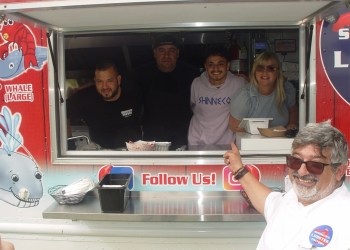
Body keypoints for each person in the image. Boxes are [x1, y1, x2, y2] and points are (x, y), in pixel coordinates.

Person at [223, 121, 350, 249]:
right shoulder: (291, 199)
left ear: (339, 171)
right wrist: (238, 169)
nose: (301, 171)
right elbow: (268, 202)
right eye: (295, 161)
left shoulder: (345, 219)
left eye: (315, 165)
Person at [136, 33, 199, 150]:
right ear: (154, 53)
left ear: (178, 53)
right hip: (151, 140)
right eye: (161, 50)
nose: (166, 55)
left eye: (171, 50)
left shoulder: (192, 75)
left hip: (183, 140)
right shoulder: (141, 74)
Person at [66, 60, 142, 149]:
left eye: (109, 80)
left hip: (134, 155)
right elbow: (60, 113)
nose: (105, 86)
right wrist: (69, 145)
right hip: (101, 157)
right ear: (95, 81)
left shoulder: (133, 93)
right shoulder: (86, 98)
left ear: (118, 80)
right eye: (100, 81)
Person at [188, 46, 247, 146]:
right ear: (205, 66)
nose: (216, 68)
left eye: (220, 64)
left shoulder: (239, 84)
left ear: (227, 66)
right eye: (211, 64)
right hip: (197, 143)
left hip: (228, 145)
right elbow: (193, 107)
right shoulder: (197, 83)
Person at [228, 51, 298, 133]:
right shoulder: (244, 96)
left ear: (278, 72)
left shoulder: (287, 89)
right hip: (252, 143)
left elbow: (293, 111)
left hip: (281, 141)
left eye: (271, 68)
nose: (265, 72)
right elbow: (234, 127)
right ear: (254, 71)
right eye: (260, 68)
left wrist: (292, 124)